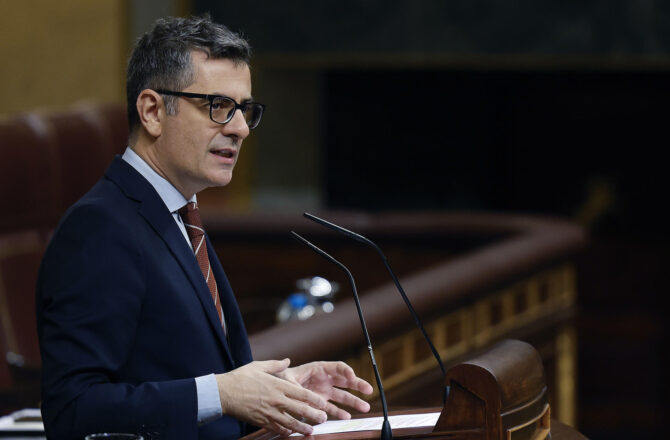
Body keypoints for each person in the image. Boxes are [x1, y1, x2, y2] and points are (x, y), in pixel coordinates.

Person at [36, 15, 373, 440]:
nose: (241, 128)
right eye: (218, 106)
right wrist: (222, 394)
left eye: (245, 109)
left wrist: (274, 393)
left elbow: (183, 372)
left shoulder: (180, 214)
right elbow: (73, 410)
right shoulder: (100, 228)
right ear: (153, 111)